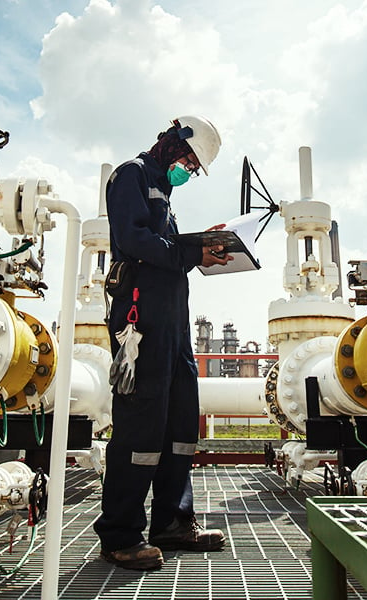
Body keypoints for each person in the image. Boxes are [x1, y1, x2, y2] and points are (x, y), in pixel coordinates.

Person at [95, 115, 232, 570]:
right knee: (139, 426)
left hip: (173, 326)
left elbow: (165, 247)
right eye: (189, 162)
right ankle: (120, 534)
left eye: (194, 168)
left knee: (178, 426)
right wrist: (192, 252)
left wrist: (200, 245)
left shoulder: (165, 195)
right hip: (141, 320)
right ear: (173, 144)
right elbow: (134, 241)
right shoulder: (131, 175)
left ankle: (172, 522)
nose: (188, 172)